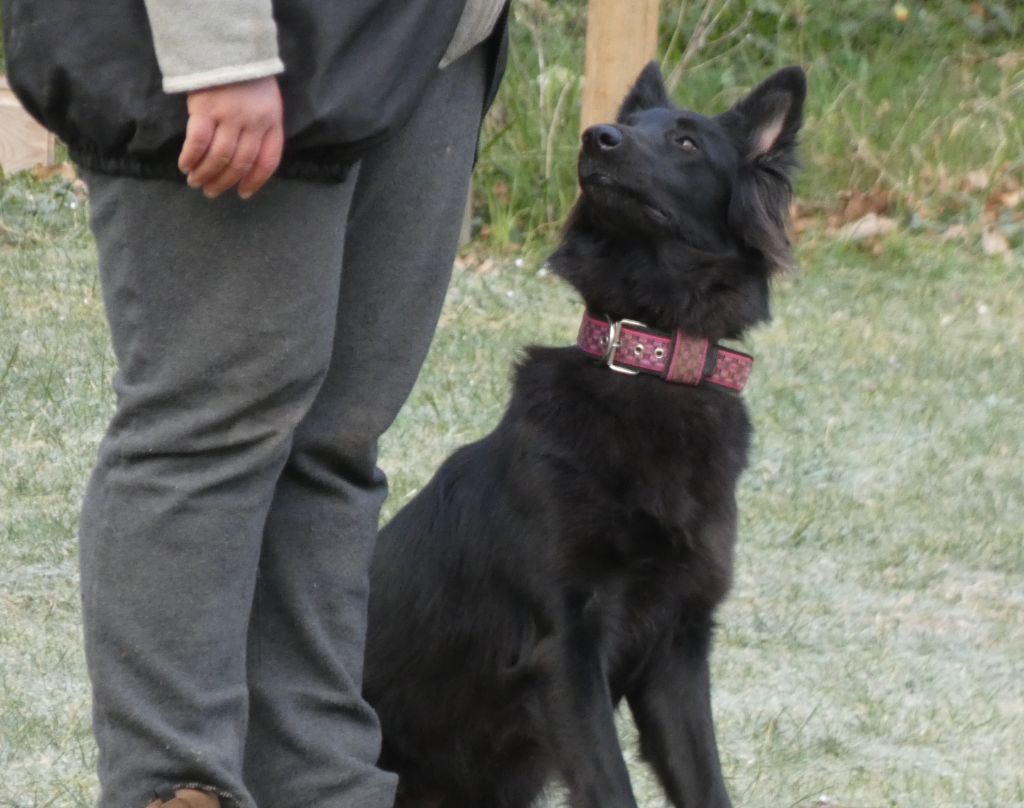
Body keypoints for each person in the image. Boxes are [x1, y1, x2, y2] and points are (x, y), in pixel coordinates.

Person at [3, 1, 508, 806]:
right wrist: (219, 49)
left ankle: (320, 781)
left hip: (430, 45)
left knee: (334, 445)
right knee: (207, 431)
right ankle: (174, 786)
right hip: (258, 44)